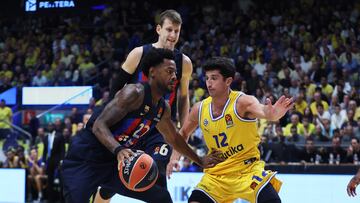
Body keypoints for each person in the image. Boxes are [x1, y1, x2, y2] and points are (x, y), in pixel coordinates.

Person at [61, 48, 222, 203]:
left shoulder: (162, 108)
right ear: (152, 72)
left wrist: (199, 160)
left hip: (114, 164)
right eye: (169, 71)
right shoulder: (133, 93)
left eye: (175, 73)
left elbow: (173, 138)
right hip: (86, 158)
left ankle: (105, 191)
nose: (174, 77)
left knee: (161, 197)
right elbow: (98, 126)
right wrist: (119, 149)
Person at [96, 9, 193, 202]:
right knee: (111, 186)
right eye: (169, 30)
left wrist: (183, 138)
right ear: (158, 29)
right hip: (133, 127)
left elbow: (183, 100)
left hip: (161, 130)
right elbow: (116, 89)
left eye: (177, 31)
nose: (173, 35)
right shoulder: (139, 54)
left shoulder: (184, 62)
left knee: (156, 177)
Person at [171, 57, 293, 203]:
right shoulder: (199, 108)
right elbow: (183, 134)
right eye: (207, 78)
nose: (209, 83)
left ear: (228, 81)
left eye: (214, 78)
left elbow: (264, 111)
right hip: (216, 176)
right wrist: (174, 159)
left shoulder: (242, 102)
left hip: (247, 170)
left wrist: (273, 114)